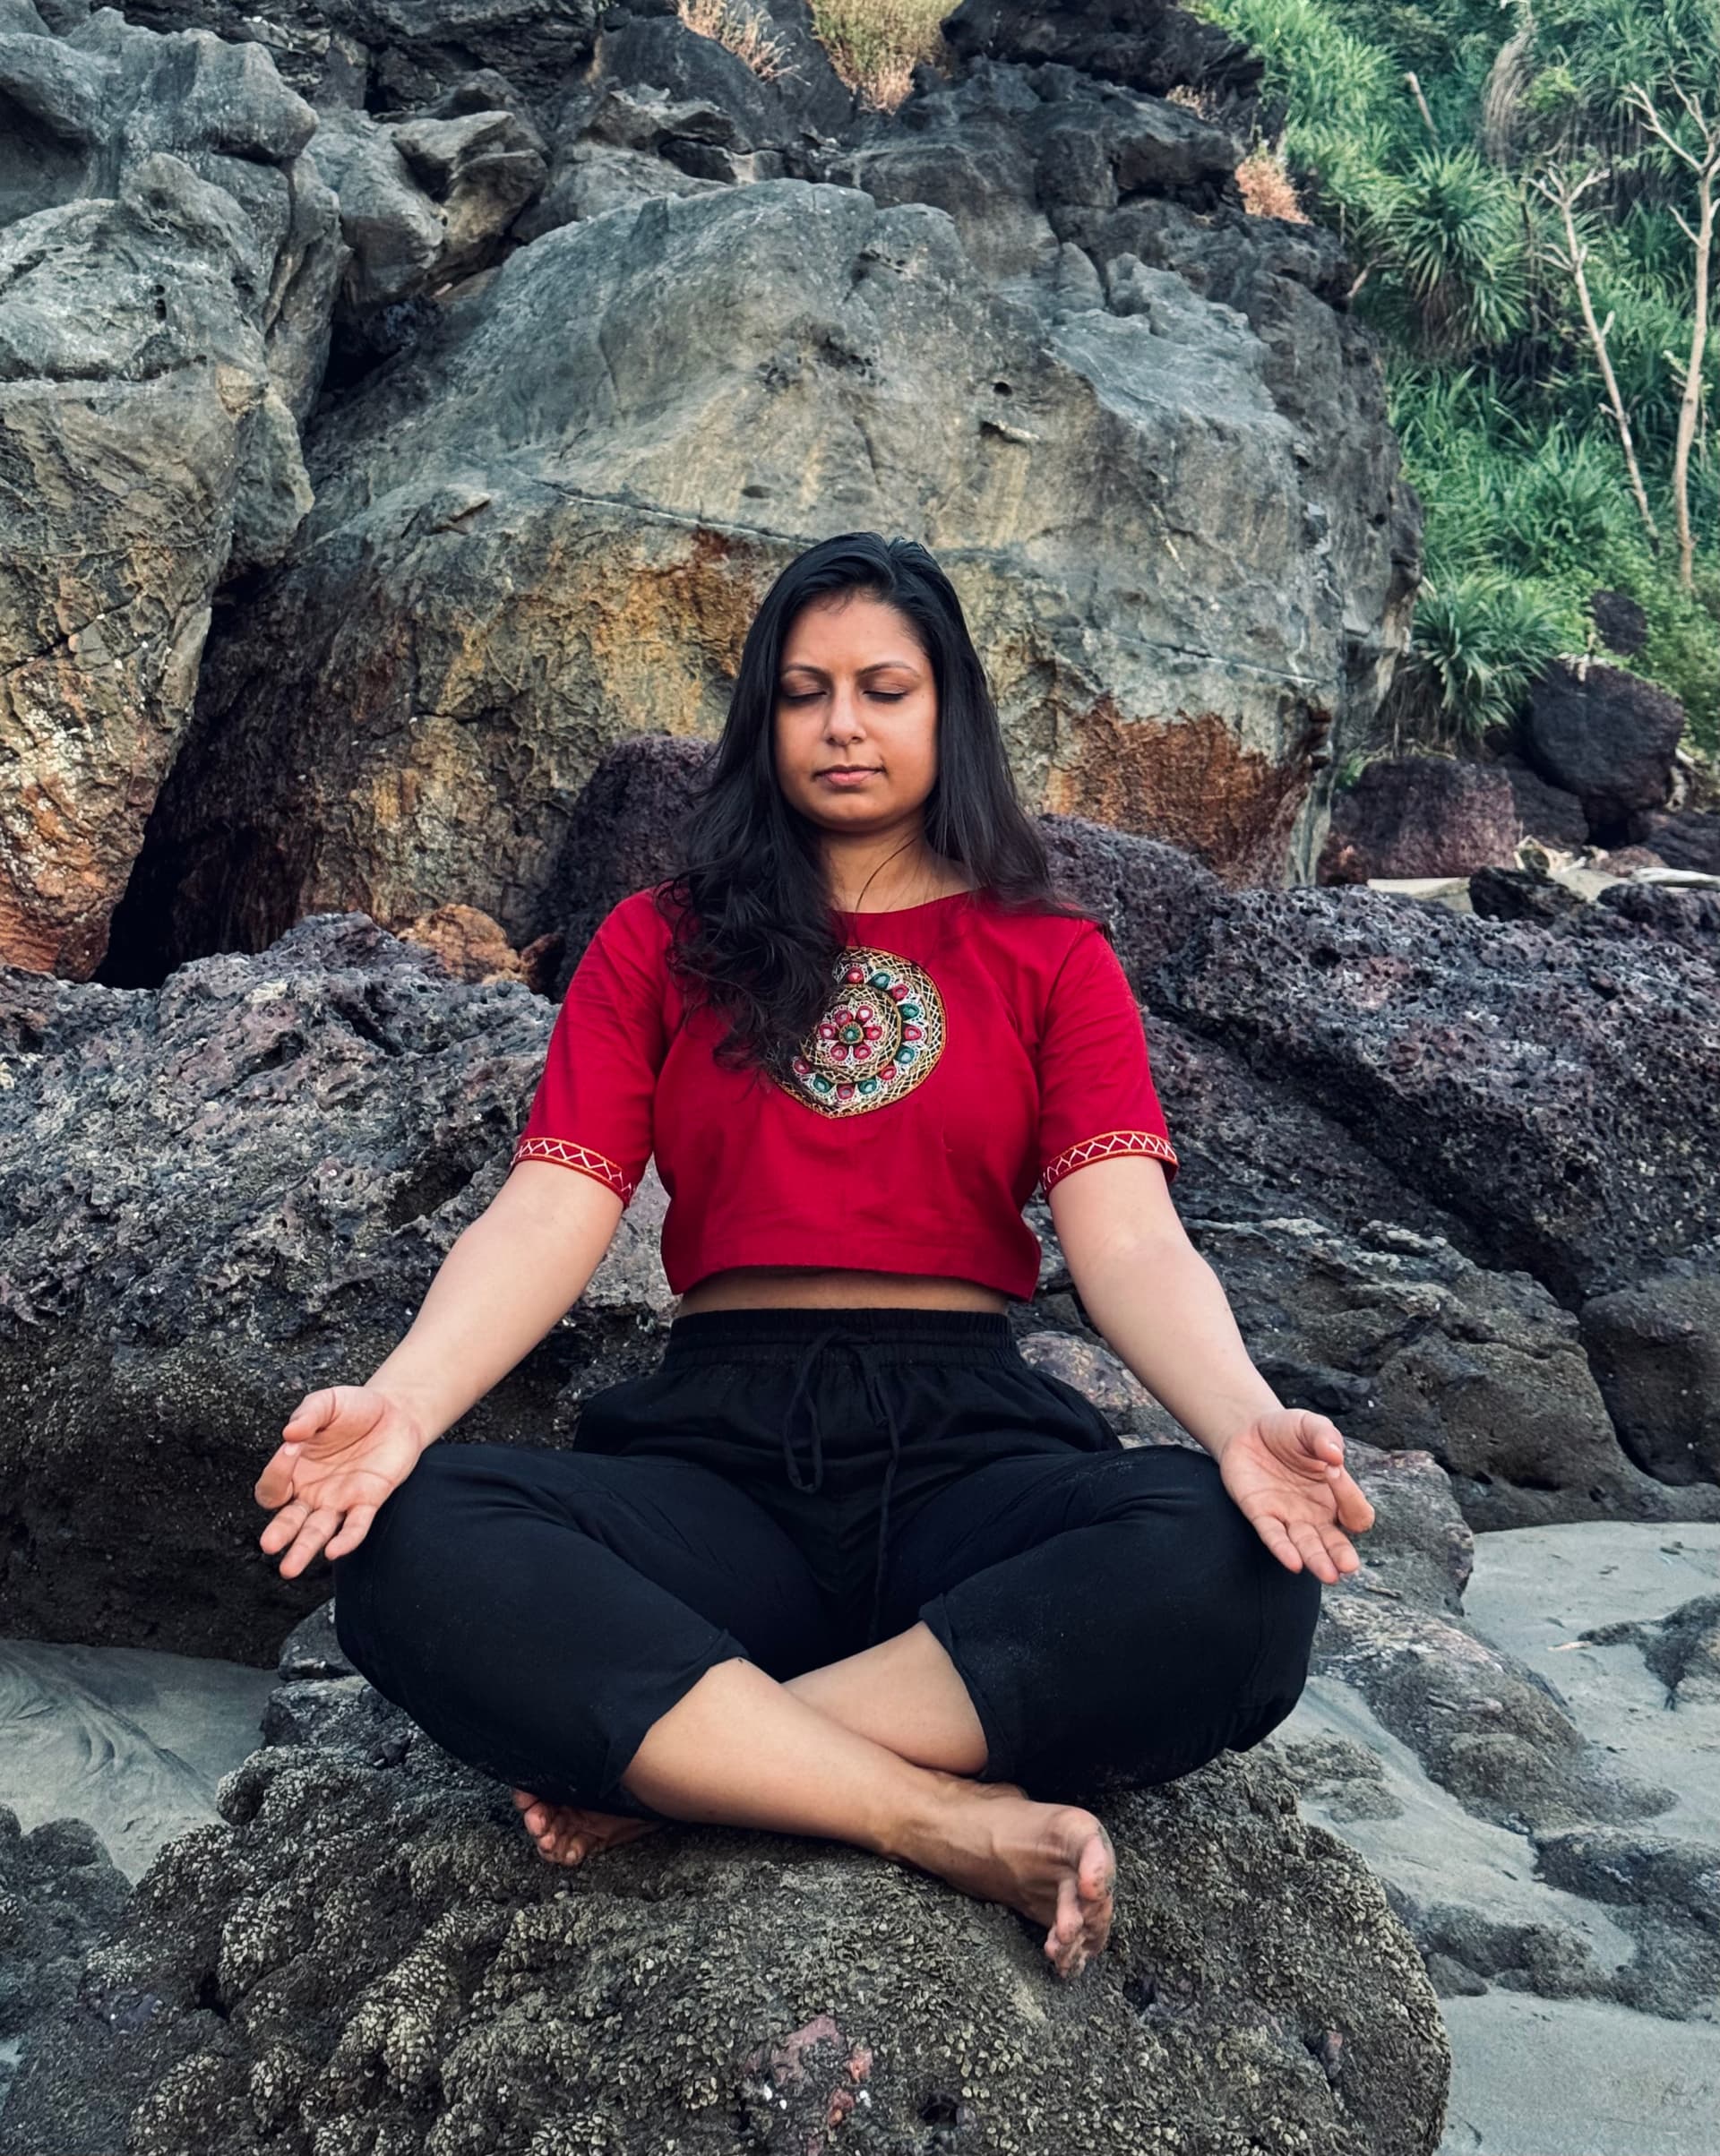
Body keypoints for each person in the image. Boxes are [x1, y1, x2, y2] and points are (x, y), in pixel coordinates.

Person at [253, 533, 1374, 1981]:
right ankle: (925, 1814)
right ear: (761, 721)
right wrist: (401, 1410)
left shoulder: (1051, 956)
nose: (842, 723)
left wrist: (1240, 1426)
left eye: (883, 688)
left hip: (970, 1448)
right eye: (804, 691)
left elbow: (1130, 1235)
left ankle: (702, 1761)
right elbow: (553, 1202)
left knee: (1234, 1567)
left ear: (947, 712)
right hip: (720, 1460)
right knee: (409, 1540)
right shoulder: (660, 944)